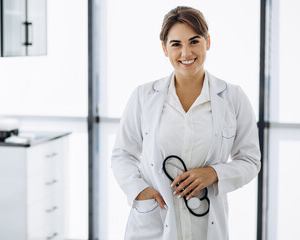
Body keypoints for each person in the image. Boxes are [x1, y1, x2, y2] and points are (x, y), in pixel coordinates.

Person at [111, 6, 261, 240]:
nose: (186, 52)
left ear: (207, 42)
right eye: (176, 44)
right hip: (155, 223)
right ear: (164, 48)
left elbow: (251, 160)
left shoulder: (232, 97)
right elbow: (122, 154)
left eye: (194, 41)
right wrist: (140, 191)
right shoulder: (143, 96)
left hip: (207, 223)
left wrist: (214, 173)